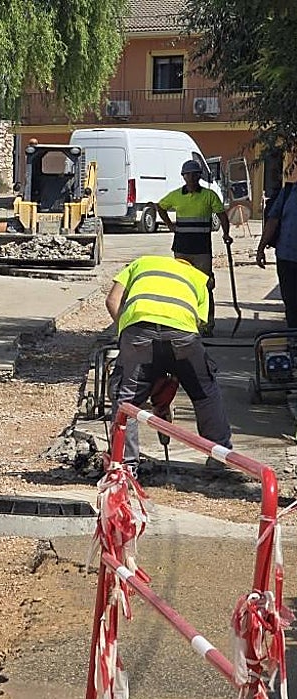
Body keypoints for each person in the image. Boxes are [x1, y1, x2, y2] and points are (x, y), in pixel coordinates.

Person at [104, 254, 232, 475]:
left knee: (127, 399)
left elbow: (112, 301)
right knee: (205, 391)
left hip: (139, 331)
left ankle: (124, 466)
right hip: (182, 336)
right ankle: (218, 455)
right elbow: (195, 327)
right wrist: (174, 373)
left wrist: (127, 337)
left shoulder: (141, 263)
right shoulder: (198, 278)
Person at [155, 159, 233, 328]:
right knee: (182, 286)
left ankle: (207, 324)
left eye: (195, 174)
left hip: (202, 250)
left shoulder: (209, 195)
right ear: (183, 176)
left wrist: (226, 233)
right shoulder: (175, 195)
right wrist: (169, 224)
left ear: (199, 176)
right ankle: (184, 321)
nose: (191, 177)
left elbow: (222, 215)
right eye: (188, 174)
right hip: (181, 248)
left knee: (205, 286)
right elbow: (160, 206)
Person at [256, 177, 297, 327]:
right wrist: (261, 249)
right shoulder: (287, 193)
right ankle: (293, 341)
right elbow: (272, 221)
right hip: (286, 258)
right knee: (291, 303)